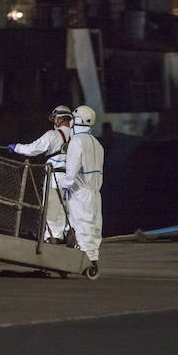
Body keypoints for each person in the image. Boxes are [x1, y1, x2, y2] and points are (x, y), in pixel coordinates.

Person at [8, 105, 73, 243]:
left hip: (55, 176)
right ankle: (69, 235)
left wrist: (17, 148)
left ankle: (52, 237)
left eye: (55, 118)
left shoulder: (53, 135)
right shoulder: (78, 137)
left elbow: (33, 148)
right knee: (70, 207)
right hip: (74, 178)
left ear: (59, 119)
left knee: (53, 207)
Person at [65, 104, 105, 272]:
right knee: (94, 226)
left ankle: (82, 261)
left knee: (80, 225)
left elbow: (72, 171)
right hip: (95, 193)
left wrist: (64, 185)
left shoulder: (76, 142)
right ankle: (93, 258)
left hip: (80, 192)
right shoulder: (97, 144)